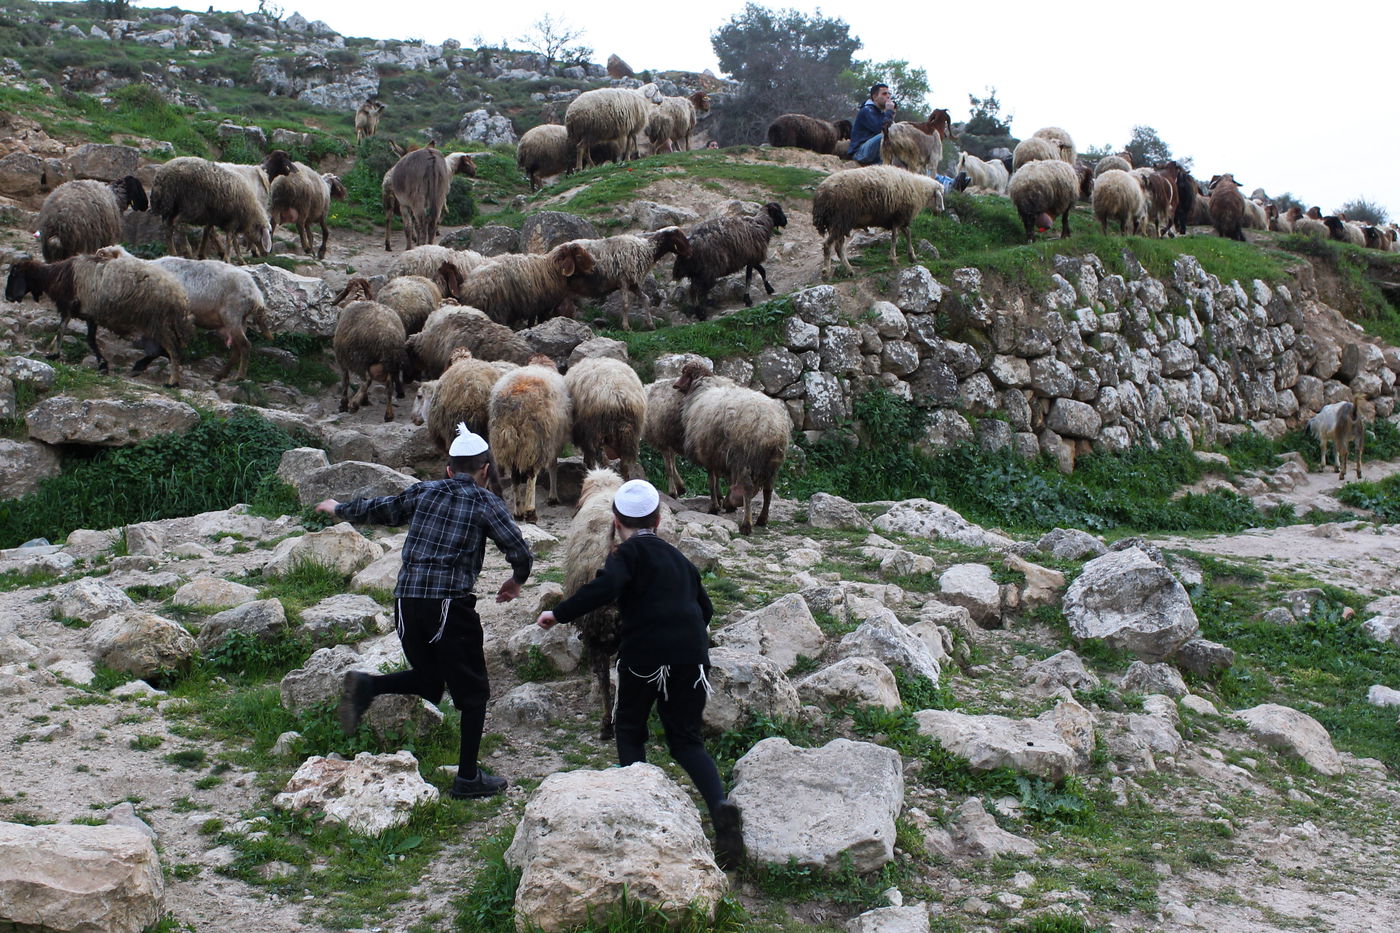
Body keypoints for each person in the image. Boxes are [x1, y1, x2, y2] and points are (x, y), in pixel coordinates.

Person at [315, 423, 532, 801]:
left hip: (404, 603)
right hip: (449, 606)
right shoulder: (486, 501)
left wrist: (340, 508)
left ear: (448, 469)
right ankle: (467, 778)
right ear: (485, 470)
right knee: (474, 693)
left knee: (431, 682)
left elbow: (384, 508)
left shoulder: (425, 490)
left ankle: (368, 686)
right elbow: (519, 551)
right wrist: (515, 582)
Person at [535, 479, 745, 868]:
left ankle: (640, 813)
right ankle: (719, 807)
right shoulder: (680, 560)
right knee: (686, 740)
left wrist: (559, 612)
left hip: (644, 656)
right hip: (692, 658)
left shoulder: (625, 555)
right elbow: (707, 610)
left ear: (615, 521)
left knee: (630, 729)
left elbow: (607, 587)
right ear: (660, 518)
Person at [848, 82, 896, 166]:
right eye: (884, 94)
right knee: (888, 134)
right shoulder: (867, 110)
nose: (888, 96)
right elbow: (881, 129)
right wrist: (889, 112)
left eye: (889, 94)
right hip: (860, 152)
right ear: (875, 97)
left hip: (871, 153)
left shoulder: (879, 113)